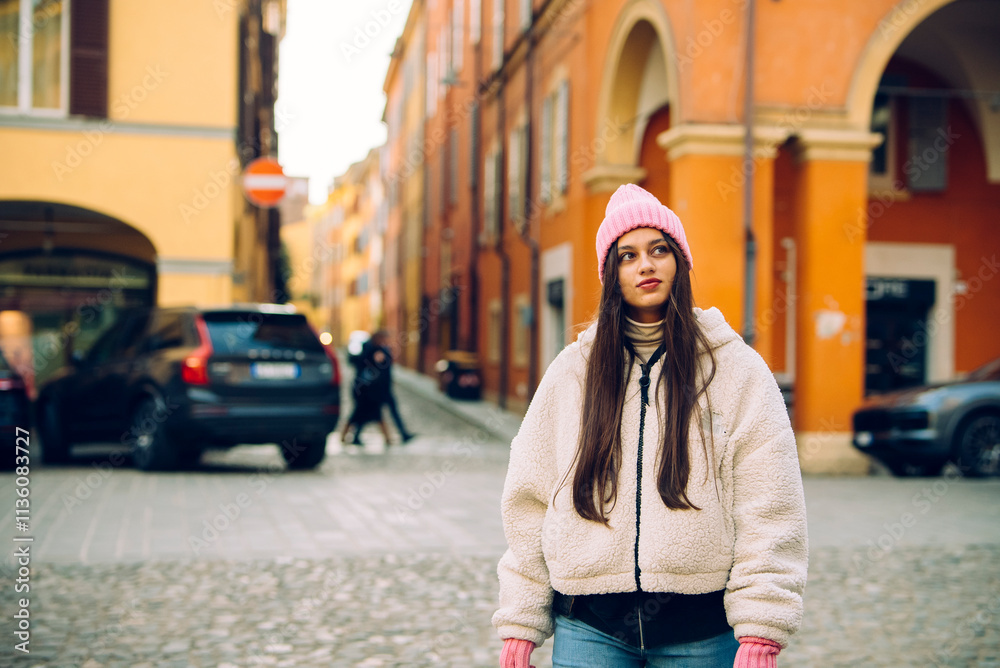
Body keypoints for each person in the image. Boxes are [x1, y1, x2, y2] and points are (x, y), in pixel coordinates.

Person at [492, 184, 807, 668]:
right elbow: (529, 500)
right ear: (611, 275)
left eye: (659, 250)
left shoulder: (736, 370)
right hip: (590, 628)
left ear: (679, 262)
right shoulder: (571, 373)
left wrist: (762, 626)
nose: (646, 265)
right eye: (628, 255)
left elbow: (770, 501)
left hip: (701, 631)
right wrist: (521, 619)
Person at [340, 330, 414, 447]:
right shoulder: (372, 350)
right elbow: (366, 366)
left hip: (379, 389)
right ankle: (391, 437)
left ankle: (399, 435)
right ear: (379, 339)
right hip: (371, 390)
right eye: (385, 339)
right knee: (363, 414)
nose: (387, 341)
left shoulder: (379, 349)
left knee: (366, 414)